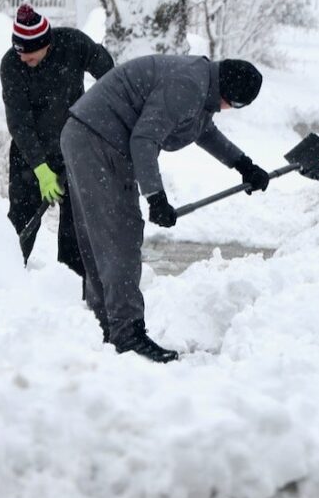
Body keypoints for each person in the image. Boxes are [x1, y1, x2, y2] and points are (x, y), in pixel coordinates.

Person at [61, 55, 268, 363]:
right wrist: (155, 196)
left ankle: (104, 327)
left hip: (86, 134)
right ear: (230, 96)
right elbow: (144, 139)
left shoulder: (200, 82)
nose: (227, 111)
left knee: (102, 238)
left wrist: (242, 164)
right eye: (235, 106)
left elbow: (202, 130)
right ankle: (126, 334)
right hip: (99, 140)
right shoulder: (188, 86)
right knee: (119, 236)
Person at [0, 4, 114, 276]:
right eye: (19, 52)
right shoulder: (12, 65)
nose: (24, 59)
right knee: (21, 219)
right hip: (29, 154)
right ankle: (6, 275)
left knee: (76, 224)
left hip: (74, 146)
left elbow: (110, 73)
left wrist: (101, 113)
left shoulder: (72, 43)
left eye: (29, 53)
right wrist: (40, 168)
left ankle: (70, 284)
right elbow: (19, 122)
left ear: (46, 43)